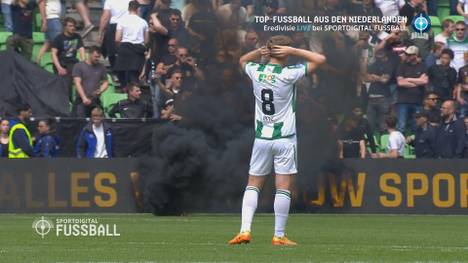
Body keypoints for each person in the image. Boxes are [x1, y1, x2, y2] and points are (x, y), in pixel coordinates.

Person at [228, 35, 326, 246]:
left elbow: (241, 60)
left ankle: (245, 231)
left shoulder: (257, 71)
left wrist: (259, 52)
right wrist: (295, 52)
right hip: (284, 139)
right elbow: (320, 59)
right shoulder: (288, 74)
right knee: (283, 186)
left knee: (253, 185)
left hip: (261, 138)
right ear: (285, 52)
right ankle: (278, 235)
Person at [114, 0, 149, 89]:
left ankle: (125, 90)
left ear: (128, 8)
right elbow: (147, 41)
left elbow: (117, 39)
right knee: (134, 76)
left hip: (125, 48)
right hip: (138, 50)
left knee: (122, 73)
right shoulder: (143, 22)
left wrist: (120, 47)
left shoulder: (121, 21)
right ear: (138, 9)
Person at [395, 46, 428, 133]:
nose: (407, 56)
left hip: (418, 100)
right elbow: (400, 83)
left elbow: (424, 81)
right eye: (406, 54)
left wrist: (408, 79)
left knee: (417, 126)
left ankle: (415, 145)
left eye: (410, 55)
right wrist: (417, 82)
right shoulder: (401, 66)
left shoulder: (423, 66)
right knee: (401, 125)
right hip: (403, 100)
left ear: (416, 55)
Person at [51, 17, 85, 100]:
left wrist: (83, 61)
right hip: (62, 63)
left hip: (73, 63)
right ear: (65, 27)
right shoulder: (58, 38)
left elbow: (81, 49)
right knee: (66, 83)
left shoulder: (77, 37)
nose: (73, 28)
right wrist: (59, 68)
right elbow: (53, 53)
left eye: (74, 26)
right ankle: (67, 101)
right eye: (70, 26)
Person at [72, 46, 109, 117]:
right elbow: (77, 83)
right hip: (81, 100)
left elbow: (105, 82)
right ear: (90, 54)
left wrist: (100, 90)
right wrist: (84, 98)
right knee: (79, 122)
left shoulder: (101, 67)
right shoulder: (79, 66)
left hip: (95, 100)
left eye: (99, 57)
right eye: (96, 56)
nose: (97, 59)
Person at [366, 49, 393, 134]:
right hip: (371, 97)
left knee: (383, 125)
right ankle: (371, 143)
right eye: (377, 54)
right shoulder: (373, 65)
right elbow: (366, 78)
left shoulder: (388, 65)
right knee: (369, 124)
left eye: (381, 53)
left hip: (383, 97)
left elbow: (385, 80)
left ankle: (384, 143)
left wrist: (374, 77)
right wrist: (379, 78)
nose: (379, 56)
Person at [457, 52, 468, 117]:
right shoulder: (462, 69)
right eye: (466, 57)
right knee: (462, 117)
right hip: (463, 98)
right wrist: (458, 97)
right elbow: (459, 84)